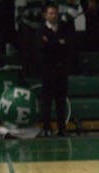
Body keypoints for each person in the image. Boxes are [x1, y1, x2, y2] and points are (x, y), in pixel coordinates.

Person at [38, 3, 75, 137]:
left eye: (55, 13)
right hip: (48, 71)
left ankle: (62, 128)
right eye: (50, 13)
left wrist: (52, 43)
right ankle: (46, 128)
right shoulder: (41, 30)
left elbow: (67, 46)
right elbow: (43, 48)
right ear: (45, 15)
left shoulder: (63, 28)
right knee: (47, 101)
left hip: (61, 70)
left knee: (61, 101)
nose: (53, 15)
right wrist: (57, 43)